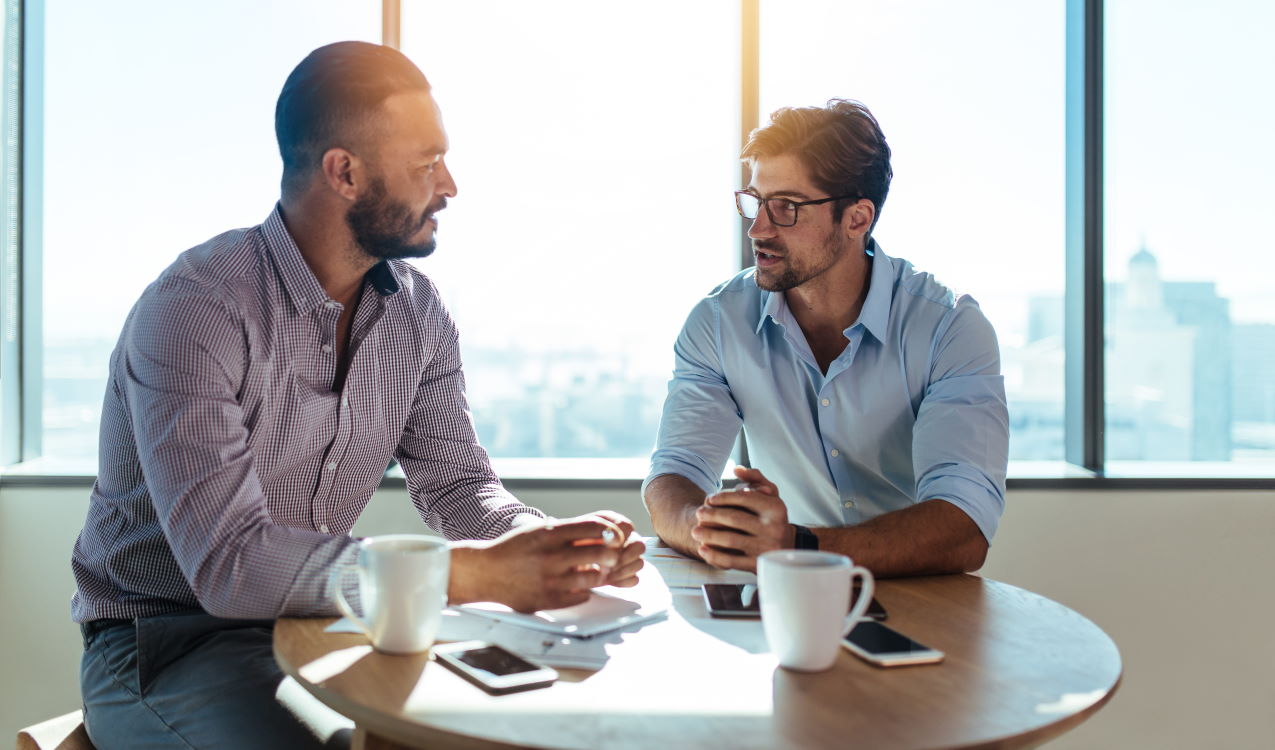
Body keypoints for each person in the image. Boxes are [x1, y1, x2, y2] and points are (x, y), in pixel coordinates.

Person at [70, 41, 644, 749]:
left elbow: (461, 486)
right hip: (164, 646)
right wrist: (477, 573)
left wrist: (546, 544)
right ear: (344, 171)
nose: (451, 185)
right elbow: (230, 567)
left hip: (324, 625)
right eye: (428, 161)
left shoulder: (419, 313)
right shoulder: (196, 309)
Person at [644, 99, 1008, 577]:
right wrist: (716, 532)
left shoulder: (949, 327)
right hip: (786, 591)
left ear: (857, 219)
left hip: (921, 592)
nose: (758, 228)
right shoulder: (718, 321)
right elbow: (677, 470)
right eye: (755, 201)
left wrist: (793, 544)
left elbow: (963, 525)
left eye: (787, 208)